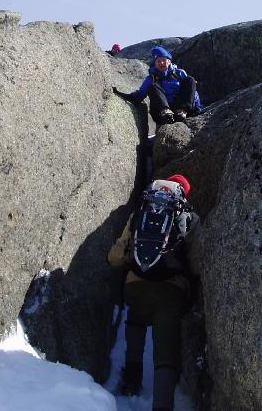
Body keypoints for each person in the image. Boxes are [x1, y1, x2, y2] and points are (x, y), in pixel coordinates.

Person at [108, 174, 198, 411]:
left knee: (136, 320)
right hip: (170, 292)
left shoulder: (141, 210)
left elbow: (116, 256)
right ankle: (162, 406)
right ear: (183, 193)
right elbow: (197, 262)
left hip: (135, 286)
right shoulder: (188, 216)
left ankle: (131, 381)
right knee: (165, 352)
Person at [113, 46, 203, 124]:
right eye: (158, 61)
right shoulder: (151, 78)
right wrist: (120, 94)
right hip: (162, 114)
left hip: (183, 110)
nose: (161, 63)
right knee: (153, 86)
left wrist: (197, 107)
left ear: (169, 61)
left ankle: (182, 111)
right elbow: (138, 96)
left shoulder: (179, 73)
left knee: (190, 80)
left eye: (164, 60)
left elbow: (191, 92)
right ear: (155, 64)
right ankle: (166, 112)